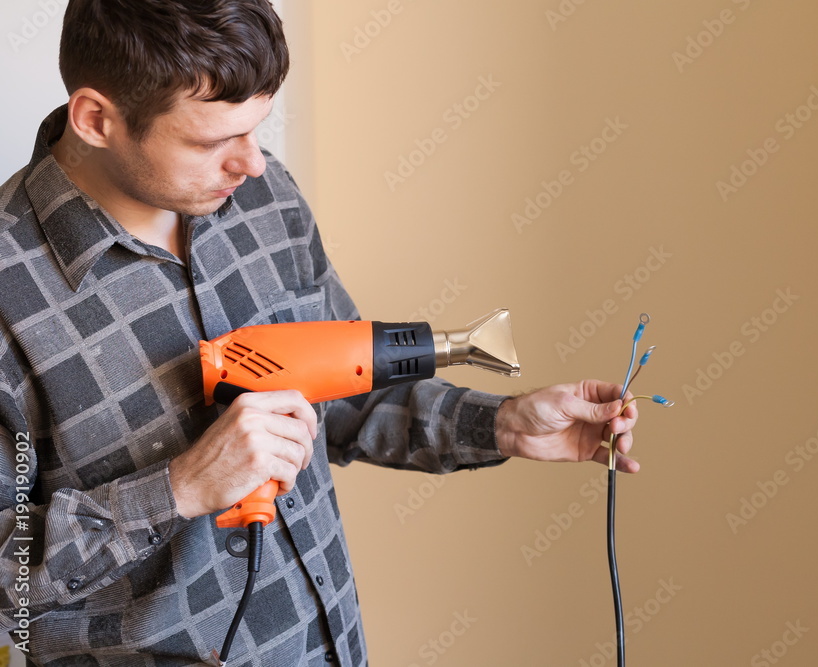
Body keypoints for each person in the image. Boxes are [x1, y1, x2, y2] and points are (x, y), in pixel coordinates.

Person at [0, 1, 639, 664]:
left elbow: (339, 392)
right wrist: (179, 487)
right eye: (213, 141)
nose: (251, 163)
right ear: (97, 119)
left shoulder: (265, 197)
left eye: (257, 127)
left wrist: (503, 422)